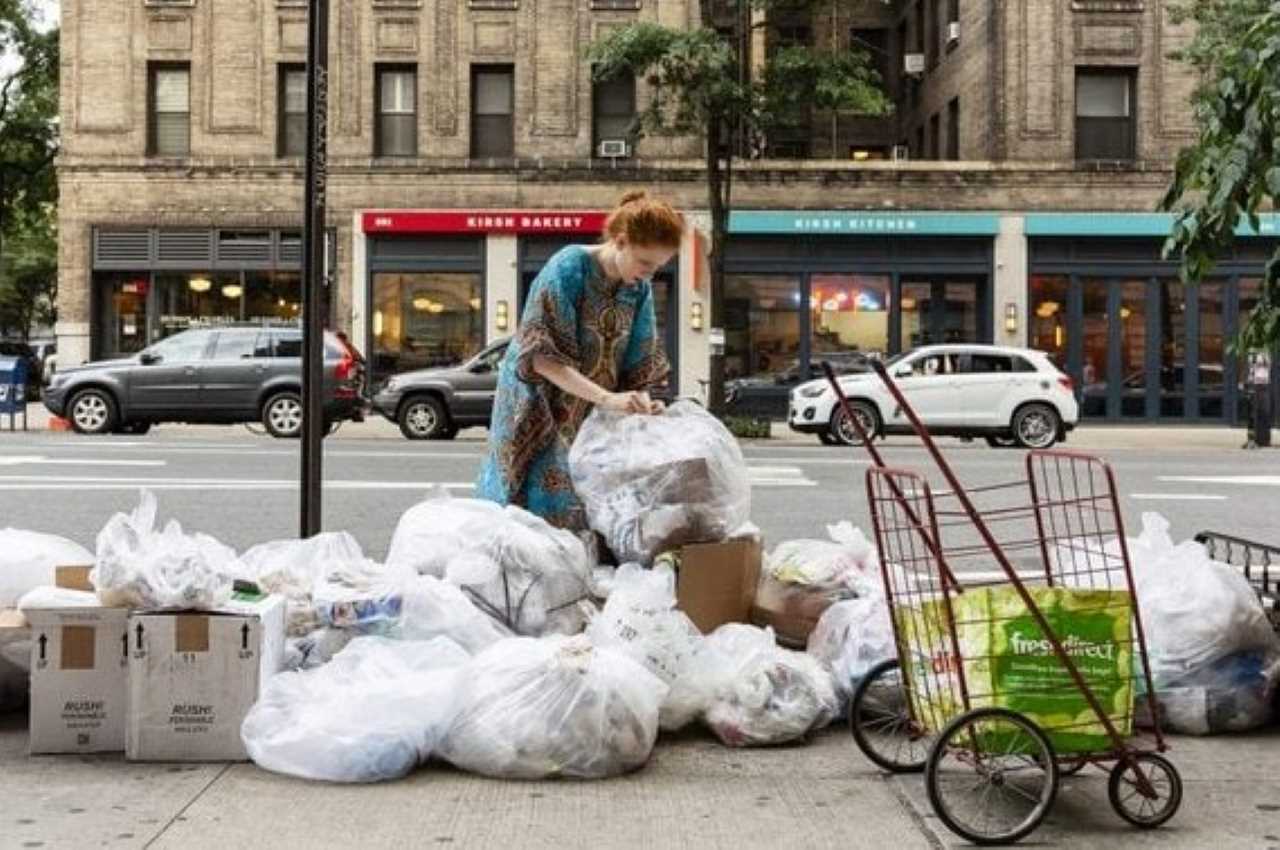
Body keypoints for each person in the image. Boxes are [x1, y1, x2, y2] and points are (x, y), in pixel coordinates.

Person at [475, 191, 683, 531]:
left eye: (657, 268)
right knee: (538, 503)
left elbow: (638, 367)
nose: (649, 275)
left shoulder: (639, 290)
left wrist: (642, 403)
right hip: (539, 405)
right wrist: (606, 397)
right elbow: (540, 357)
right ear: (620, 241)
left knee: (588, 502)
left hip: (591, 411)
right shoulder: (569, 266)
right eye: (645, 263)